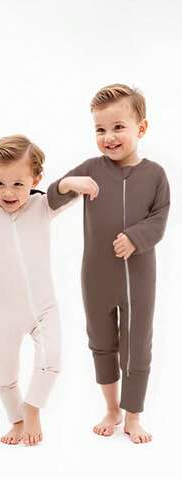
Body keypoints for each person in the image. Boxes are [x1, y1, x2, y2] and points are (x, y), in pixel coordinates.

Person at [47, 84, 170, 443]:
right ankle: (112, 408)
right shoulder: (91, 169)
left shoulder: (155, 175)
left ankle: (133, 416)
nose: (108, 137)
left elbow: (160, 219)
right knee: (101, 343)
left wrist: (135, 237)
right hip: (96, 277)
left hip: (139, 279)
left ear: (141, 128)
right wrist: (69, 183)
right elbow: (52, 198)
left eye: (118, 127)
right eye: (100, 129)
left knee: (137, 346)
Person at [0, 135, 74, 446]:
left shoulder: (42, 206)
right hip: (3, 313)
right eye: (0, 184)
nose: (8, 193)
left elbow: (66, 191)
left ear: (35, 180)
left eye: (18, 184)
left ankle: (32, 408)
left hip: (43, 307)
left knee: (52, 359)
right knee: (4, 377)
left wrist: (71, 183)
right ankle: (16, 421)